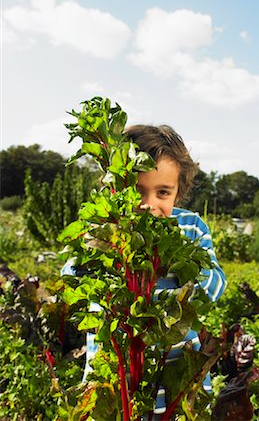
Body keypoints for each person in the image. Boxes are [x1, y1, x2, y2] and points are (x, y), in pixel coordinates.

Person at [62, 124, 227, 419]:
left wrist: (180, 256)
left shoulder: (190, 227)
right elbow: (70, 280)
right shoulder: (103, 230)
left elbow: (216, 287)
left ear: (178, 192)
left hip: (174, 379)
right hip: (114, 378)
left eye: (163, 192)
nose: (149, 205)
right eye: (137, 191)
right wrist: (93, 247)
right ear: (114, 187)